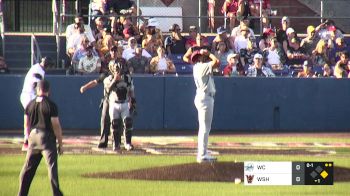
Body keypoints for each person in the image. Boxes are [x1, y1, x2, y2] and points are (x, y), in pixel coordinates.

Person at [18, 80, 64, 196]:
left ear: (38, 90)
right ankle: (56, 194)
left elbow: (26, 124)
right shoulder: (50, 105)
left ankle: (21, 193)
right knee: (52, 169)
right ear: (48, 90)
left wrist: (27, 139)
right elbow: (56, 125)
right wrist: (60, 144)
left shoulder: (30, 104)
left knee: (27, 169)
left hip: (33, 137)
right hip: (46, 138)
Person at [20, 57, 54, 151]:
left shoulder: (38, 68)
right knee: (30, 119)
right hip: (28, 96)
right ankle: (27, 142)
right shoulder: (38, 70)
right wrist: (44, 96)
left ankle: (32, 140)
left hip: (31, 96)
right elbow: (36, 86)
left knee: (33, 119)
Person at [191, 49, 219, 163]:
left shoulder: (197, 67)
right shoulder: (201, 67)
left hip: (202, 96)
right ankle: (202, 155)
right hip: (205, 97)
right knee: (204, 128)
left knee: (203, 128)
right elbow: (217, 62)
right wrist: (209, 54)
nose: (203, 57)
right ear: (198, 59)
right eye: (201, 56)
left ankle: (202, 152)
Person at [104, 60, 136, 151]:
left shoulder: (128, 78)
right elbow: (107, 90)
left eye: (119, 70)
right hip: (114, 103)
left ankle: (127, 143)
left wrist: (133, 101)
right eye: (116, 70)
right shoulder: (108, 79)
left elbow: (131, 90)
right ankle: (116, 143)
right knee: (115, 124)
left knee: (128, 122)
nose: (118, 72)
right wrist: (114, 80)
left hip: (125, 102)